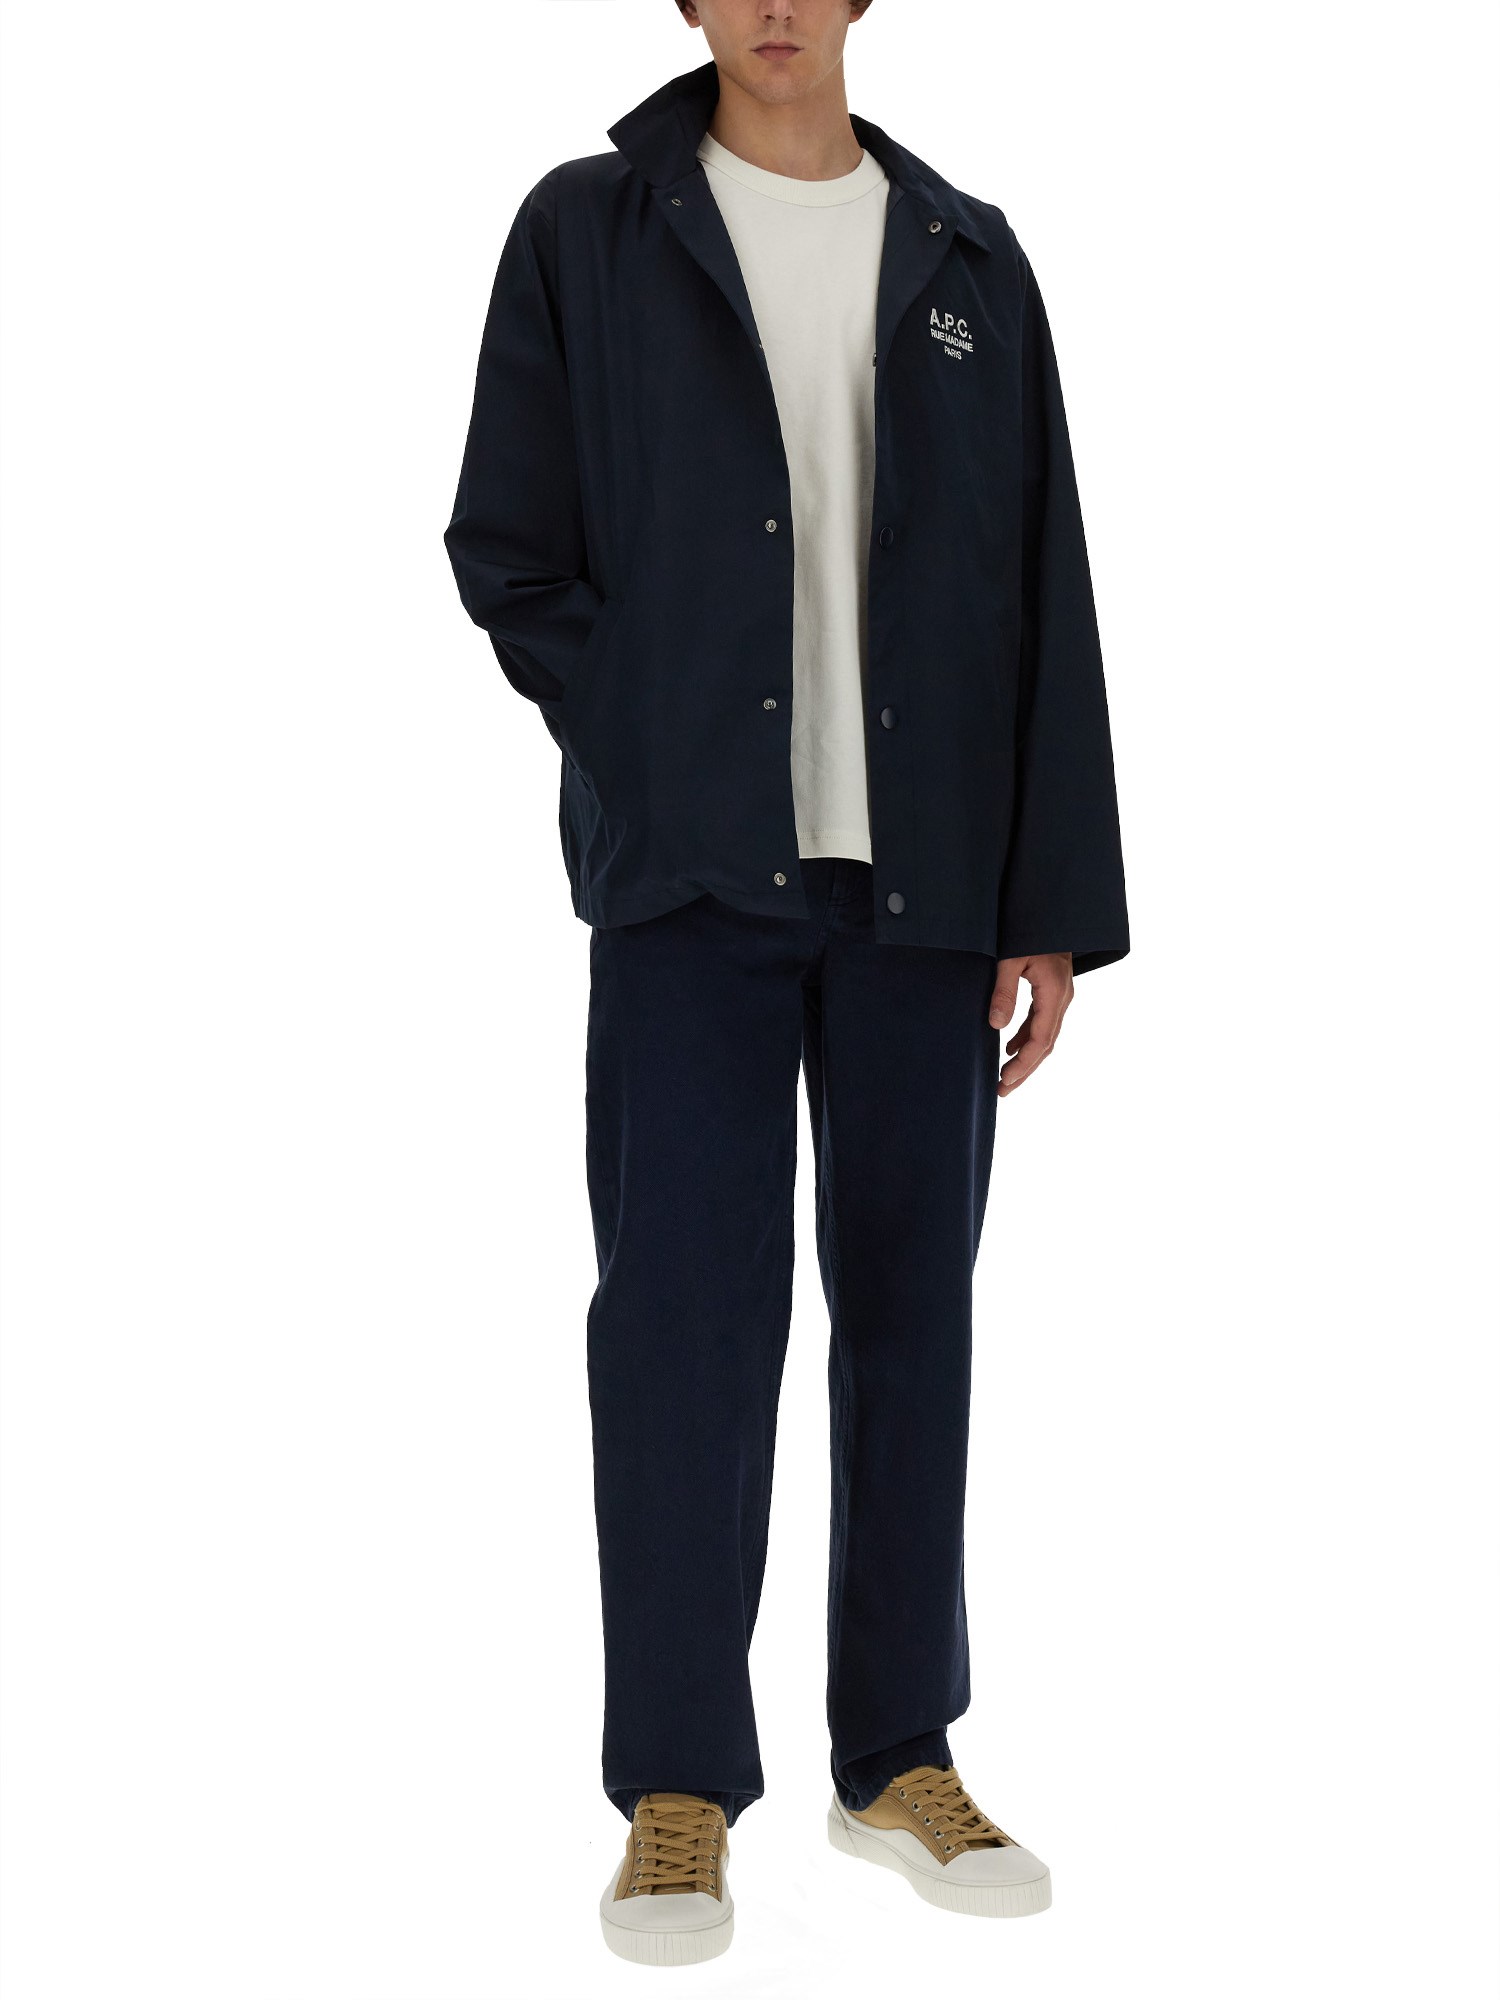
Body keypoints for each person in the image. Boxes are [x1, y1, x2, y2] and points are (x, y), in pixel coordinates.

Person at [444, 0, 1127, 1965]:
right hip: (691, 888)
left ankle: (898, 1754)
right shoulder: (589, 229)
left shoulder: (970, 256)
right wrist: (654, 742)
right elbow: (509, 548)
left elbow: (1044, 585)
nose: (770, 4)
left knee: (914, 1314)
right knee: (681, 1325)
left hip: (926, 884)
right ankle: (677, 1786)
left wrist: (1049, 899)